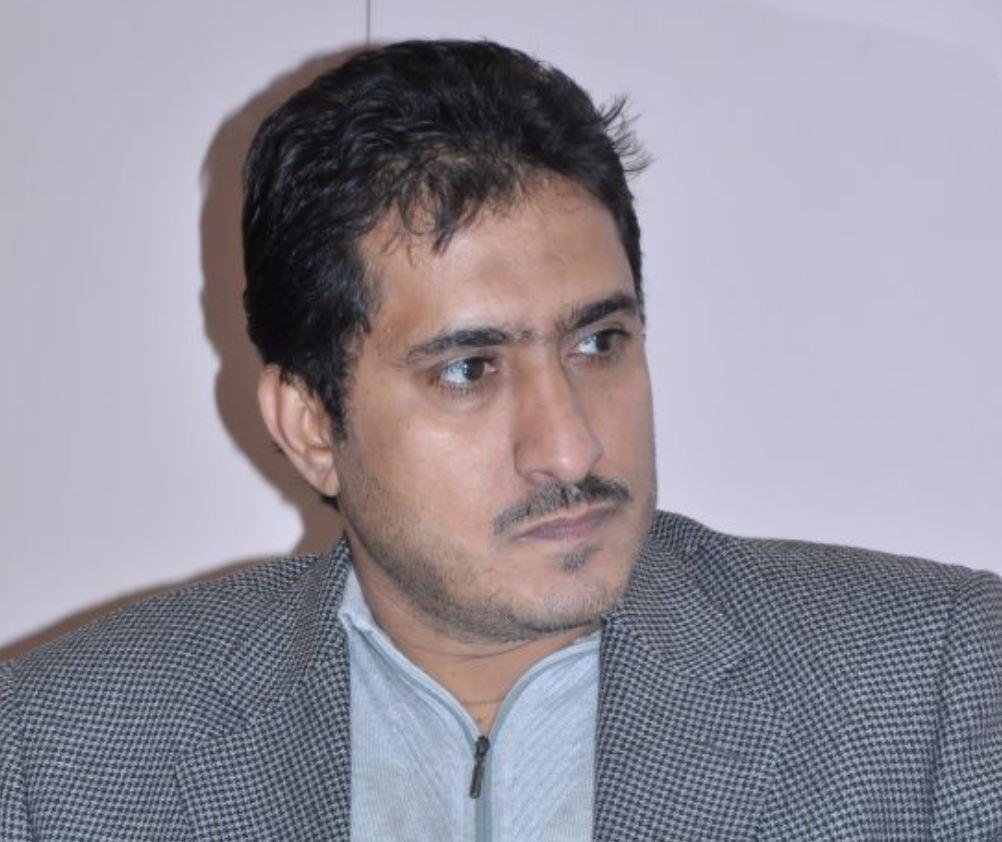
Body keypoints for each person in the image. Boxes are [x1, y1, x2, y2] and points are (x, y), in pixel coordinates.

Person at [1, 38, 999, 841]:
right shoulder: (63, 754)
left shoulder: (939, 690)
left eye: (598, 343)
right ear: (311, 427)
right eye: (468, 370)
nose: (570, 449)